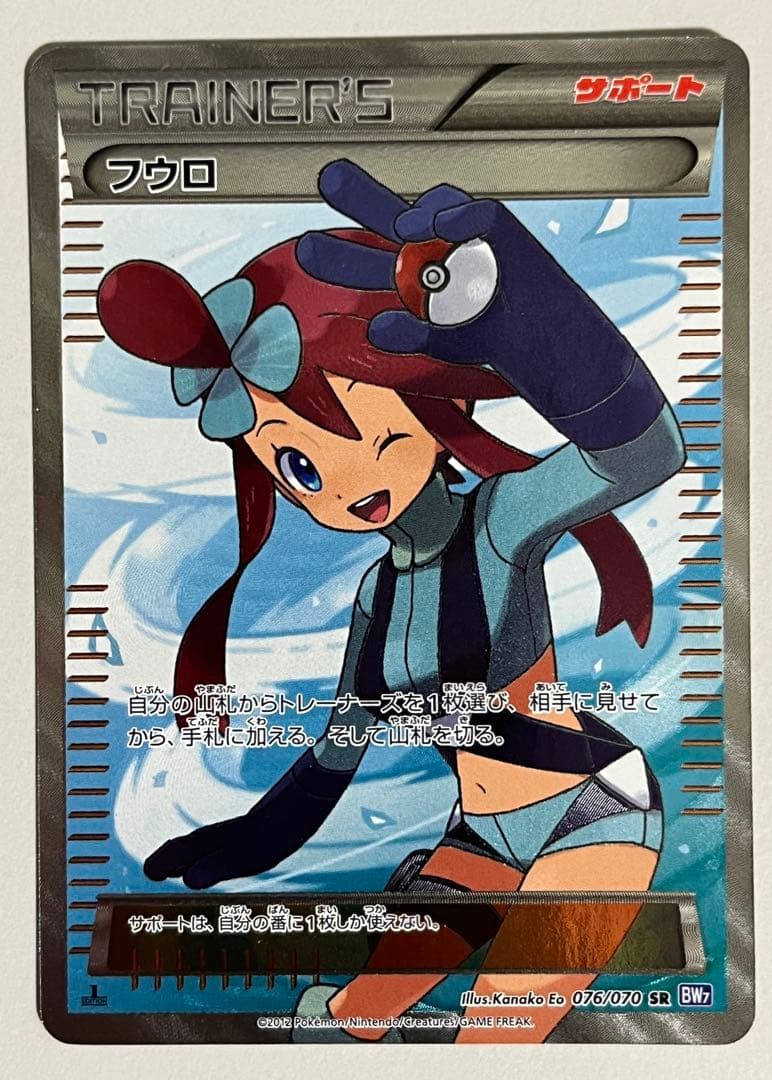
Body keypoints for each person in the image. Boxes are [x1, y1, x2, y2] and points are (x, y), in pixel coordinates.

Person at [98, 160, 685, 1042]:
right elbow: (336, 754)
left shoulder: (499, 523)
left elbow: (643, 450)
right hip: (479, 835)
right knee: (347, 1022)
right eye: (298, 466)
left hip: (591, 808)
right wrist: (247, 840)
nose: (340, 482)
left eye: (363, 429)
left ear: (421, 398)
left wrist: (530, 310)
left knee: (498, 1032)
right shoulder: (379, 594)